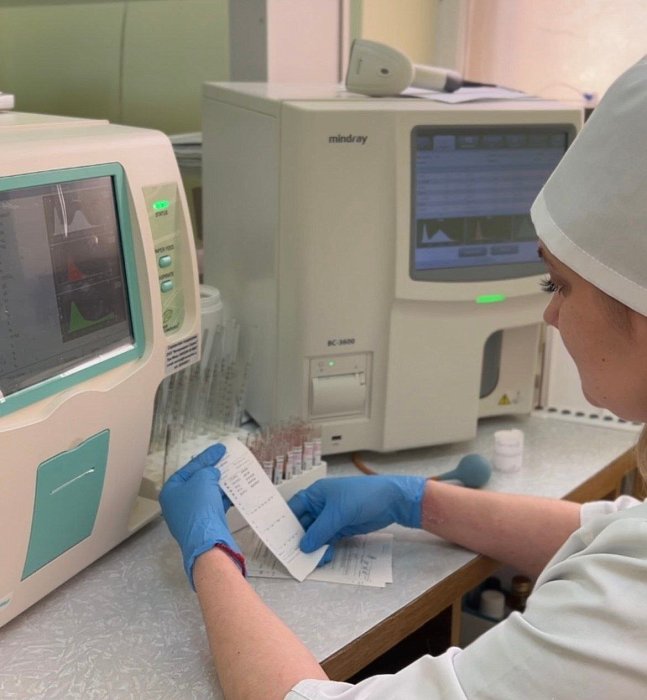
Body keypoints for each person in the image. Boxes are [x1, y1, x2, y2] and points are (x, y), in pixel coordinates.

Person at [160, 55, 647, 699]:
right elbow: (612, 532)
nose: (550, 315)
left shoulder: (626, 614)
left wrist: (210, 558)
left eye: (558, 285)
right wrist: (418, 500)